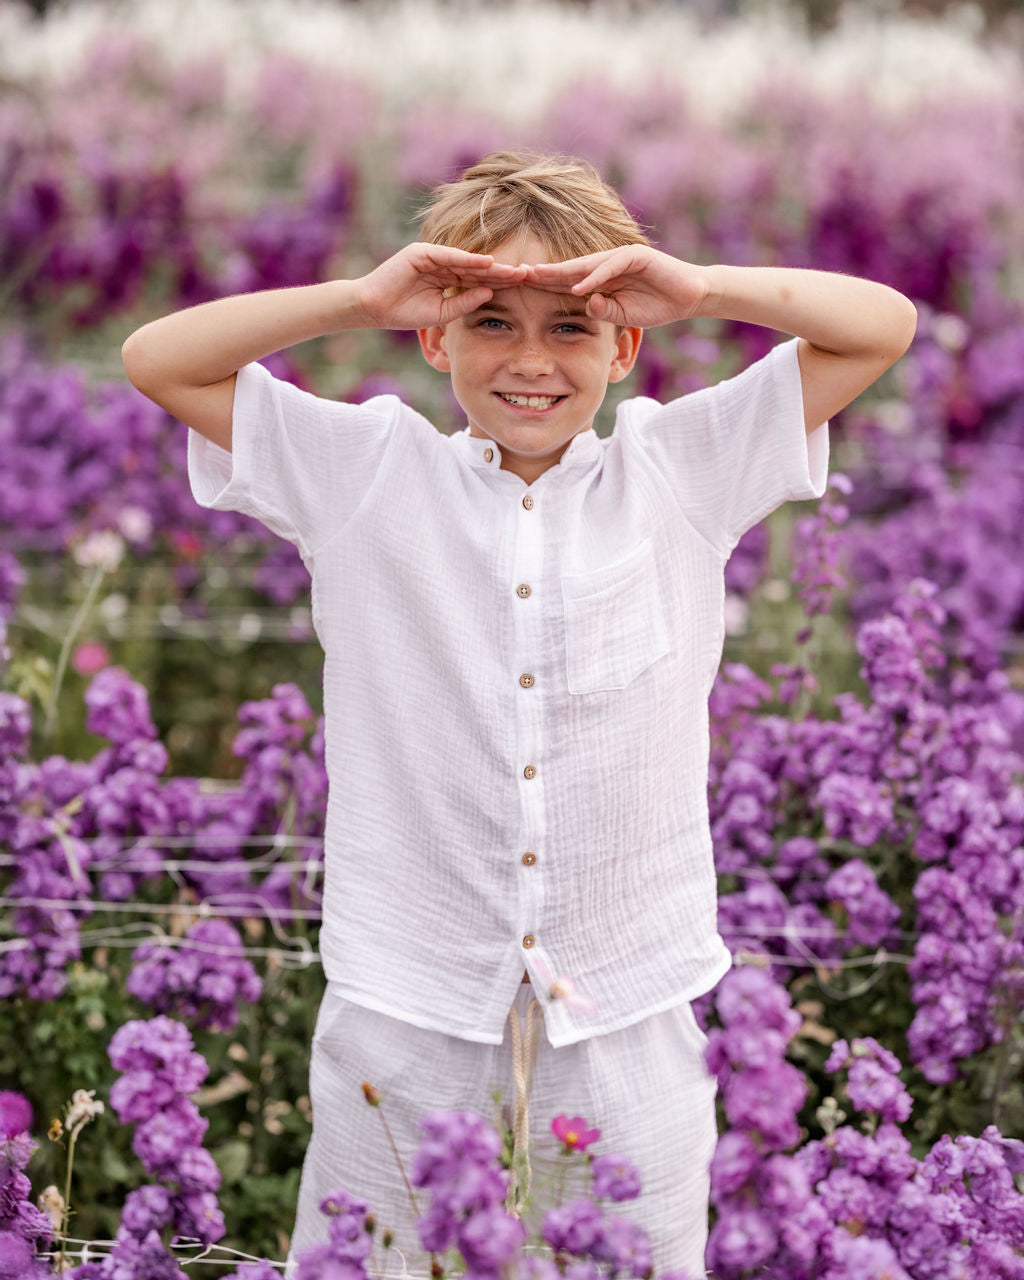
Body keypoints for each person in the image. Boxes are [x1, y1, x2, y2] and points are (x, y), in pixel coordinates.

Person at [121, 151, 917, 1277]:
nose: (531, 361)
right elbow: (155, 356)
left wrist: (695, 286)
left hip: (628, 1003)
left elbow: (879, 325)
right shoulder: (368, 470)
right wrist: (361, 299)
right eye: (490, 322)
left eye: (571, 328)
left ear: (625, 344)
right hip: (407, 998)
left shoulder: (679, 466)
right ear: (435, 337)